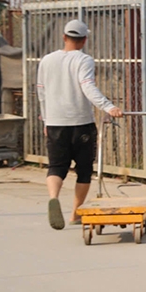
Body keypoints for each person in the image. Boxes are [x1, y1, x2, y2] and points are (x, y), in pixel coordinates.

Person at [36, 19, 124, 229]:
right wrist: (108, 107)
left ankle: (53, 197)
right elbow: (87, 86)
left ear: (64, 37)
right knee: (83, 170)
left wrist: (46, 119)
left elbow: (41, 92)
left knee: (56, 166)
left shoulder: (46, 60)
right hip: (81, 123)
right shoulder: (84, 60)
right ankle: (75, 213)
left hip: (55, 122)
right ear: (84, 40)